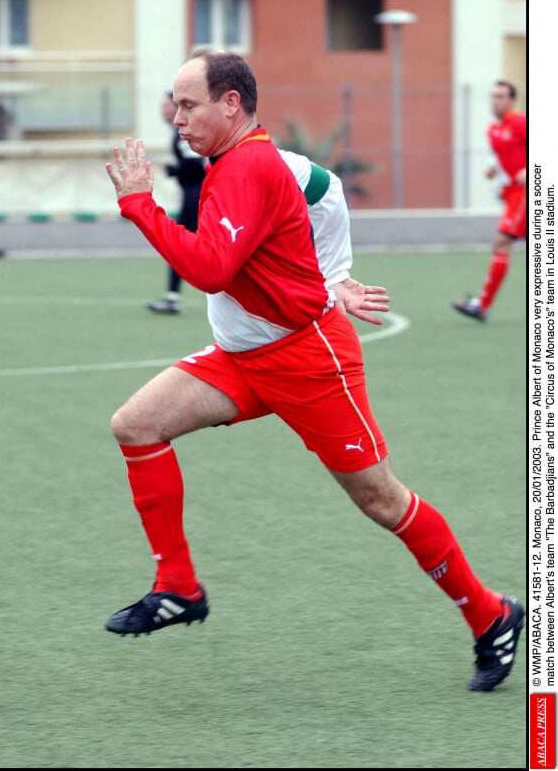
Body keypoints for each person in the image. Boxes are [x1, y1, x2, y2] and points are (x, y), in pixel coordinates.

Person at [105, 49, 523, 692]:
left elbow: (214, 267)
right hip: (243, 358)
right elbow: (319, 199)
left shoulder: (252, 164)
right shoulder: (235, 160)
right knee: (135, 425)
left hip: (308, 360)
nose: (176, 117)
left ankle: (490, 615)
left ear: (231, 104)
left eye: (188, 105)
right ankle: (178, 587)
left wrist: (141, 205)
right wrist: (332, 279)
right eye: (176, 104)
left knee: (381, 499)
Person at [452, 80, 526, 322]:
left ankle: (482, 305)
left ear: (512, 100)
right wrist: (492, 168)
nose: (495, 101)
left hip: (525, 193)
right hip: (512, 194)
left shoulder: (520, 122)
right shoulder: (494, 129)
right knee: (502, 243)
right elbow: (497, 156)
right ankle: (481, 305)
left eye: (501, 96)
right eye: (493, 96)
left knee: (501, 241)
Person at [146, 92, 207, 314]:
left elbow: (195, 165)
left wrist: (172, 170)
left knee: (181, 246)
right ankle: (172, 297)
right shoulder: (180, 130)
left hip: (196, 197)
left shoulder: (182, 131)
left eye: (166, 106)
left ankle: (172, 299)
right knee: (185, 247)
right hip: (195, 195)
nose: (163, 110)